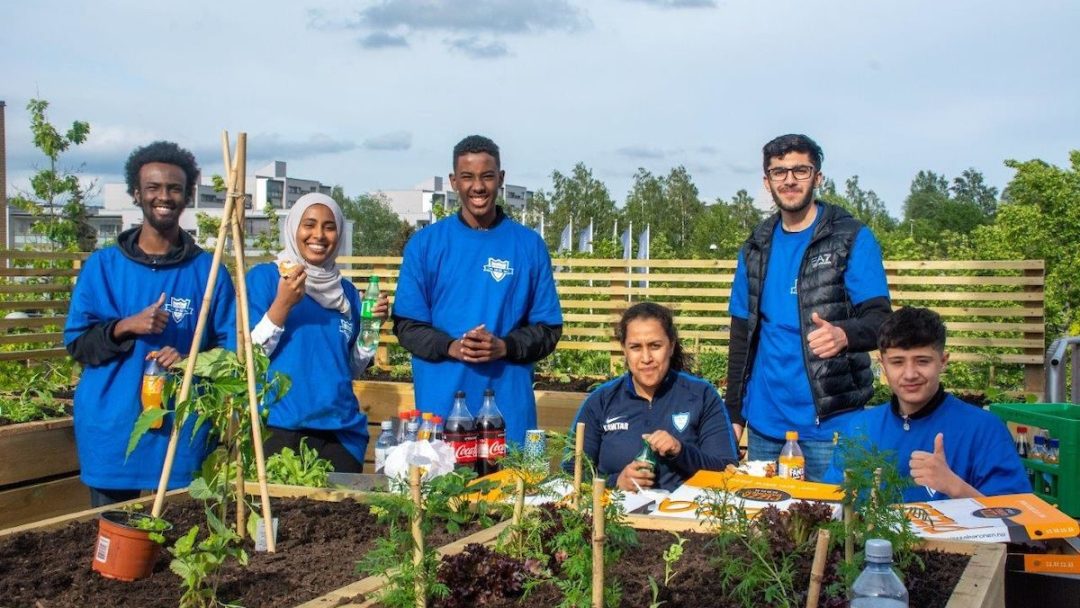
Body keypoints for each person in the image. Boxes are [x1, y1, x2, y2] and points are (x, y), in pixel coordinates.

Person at [64, 141, 236, 507]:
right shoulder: (103, 267)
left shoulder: (209, 272)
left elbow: (231, 349)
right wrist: (125, 326)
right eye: (154, 188)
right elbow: (78, 344)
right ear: (136, 193)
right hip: (112, 430)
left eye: (174, 188)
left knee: (181, 544)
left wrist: (191, 358)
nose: (164, 196)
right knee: (115, 548)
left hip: (181, 433)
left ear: (187, 195)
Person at [726, 134, 892, 482]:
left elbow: (881, 322)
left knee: (833, 529)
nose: (789, 180)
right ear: (767, 181)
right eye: (778, 172)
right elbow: (742, 336)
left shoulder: (851, 239)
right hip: (765, 427)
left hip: (831, 426)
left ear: (817, 177)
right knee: (767, 530)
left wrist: (844, 335)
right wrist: (735, 415)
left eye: (800, 170)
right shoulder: (755, 246)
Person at [392, 135, 563, 444]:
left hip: (510, 420)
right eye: (468, 177)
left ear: (501, 178)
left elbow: (548, 329)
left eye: (487, 176)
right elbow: (407, 326)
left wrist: (505, 347)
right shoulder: (425, 244)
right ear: (454, 181)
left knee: (512, 492)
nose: (478, 186)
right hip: (440, 418)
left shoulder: (529, 245)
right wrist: (451, 346)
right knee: (444, 492)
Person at [824, 307, 1031, 501]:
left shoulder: (985, 429)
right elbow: (831, 502)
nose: (910, 374)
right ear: (882, 365)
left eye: (922, 361)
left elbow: (1016, 518)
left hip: (955, 541)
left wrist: (955, 487)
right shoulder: (860, 428)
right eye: (897, 362)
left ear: (943, 361)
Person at [247, 193, 388, 472]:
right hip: (280, 429)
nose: (319, 235)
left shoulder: (346, 293)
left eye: (329, 226)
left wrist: (370, 332)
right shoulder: (266, 278)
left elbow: (347, 368)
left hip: (340, 435)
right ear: (293, 228)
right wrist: (282, 305)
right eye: (309, 224)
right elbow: (249, 357)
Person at [570, 303, 739, 492]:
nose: (646, 357)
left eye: (655, 346)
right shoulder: (601, 401)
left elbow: (727, 470)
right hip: (614, 516)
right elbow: (571, 473)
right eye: (635, 347)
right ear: (624, 350)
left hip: (685, 517)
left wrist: (680, 451)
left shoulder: (702, 396)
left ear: (671, 346)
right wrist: (615, 482)